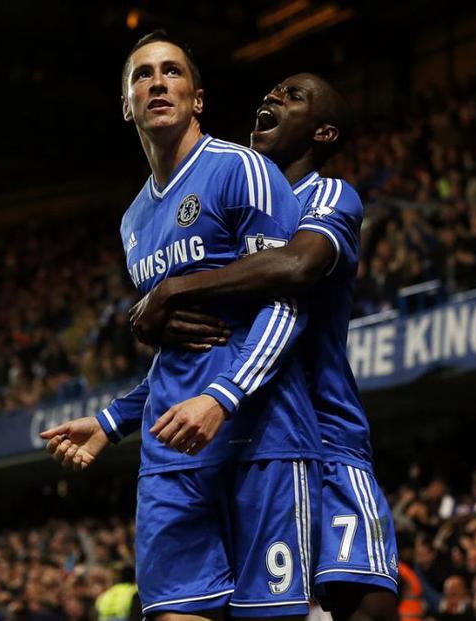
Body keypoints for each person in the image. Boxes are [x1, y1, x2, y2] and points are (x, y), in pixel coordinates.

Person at [42, 32, 320, 620]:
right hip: (171, 453)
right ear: (127, 105)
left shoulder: (241, 169)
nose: (157, 83)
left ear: (197, 98)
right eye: (142, 75)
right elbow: (182, 347)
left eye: (171, 71)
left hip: (261, 439)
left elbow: (287, 304)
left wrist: (222, 397)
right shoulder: (133, 222)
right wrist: (112, 420)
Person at [127, 74, 399, 621]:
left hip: (326, 429)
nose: (272, 97)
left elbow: (296, 266)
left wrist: (172, 290)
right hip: (256, 431)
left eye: (293, 96)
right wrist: (117, 414)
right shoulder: (234, 214)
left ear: (323, 133)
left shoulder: (326, 194)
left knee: (364, 604)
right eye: (272, 91)